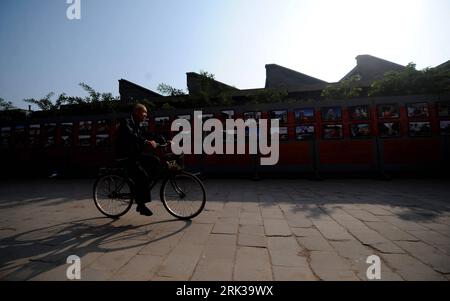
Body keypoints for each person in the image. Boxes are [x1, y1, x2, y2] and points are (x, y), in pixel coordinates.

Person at [116, 103, 165, 216]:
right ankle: (141, 205)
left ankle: (141, 188)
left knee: (155, 161)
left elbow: (146, 133)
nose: (145, 116)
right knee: (142, 176)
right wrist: (146, 142)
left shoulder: (138, 124)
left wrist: (161, 138)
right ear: (137, 113)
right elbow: (131, 135)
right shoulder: (126, 122)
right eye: (144, 114)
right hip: (126, 156)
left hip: (135, 154)